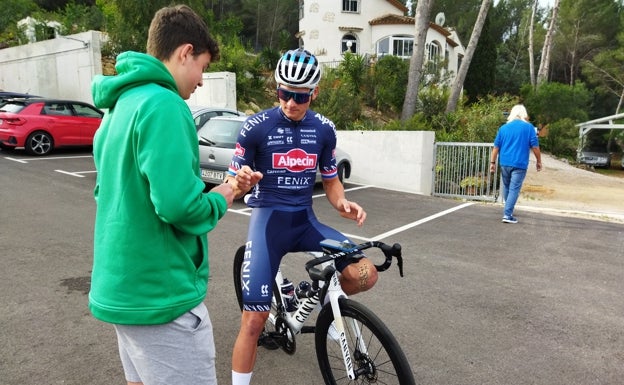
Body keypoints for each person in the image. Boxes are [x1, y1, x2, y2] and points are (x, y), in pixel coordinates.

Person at [89, 5, 234, 385]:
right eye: (202, 65)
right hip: (161, 297)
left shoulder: (119, 105)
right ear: (185, 52)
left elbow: (111, 192)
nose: (201, 80)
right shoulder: (165, 104)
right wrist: (222, 197)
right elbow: (178, 205)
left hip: (123, 291)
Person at [226, 48, 379, 385]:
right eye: (284, 93)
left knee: (366, 274)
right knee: (253, 320)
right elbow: (231, 184)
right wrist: (239, 184)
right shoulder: (255, 127)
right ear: (277, 89)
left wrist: (342, 204)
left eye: (300, 96)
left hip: (306, 222)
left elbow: (330, 179)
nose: (290, 103)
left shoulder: (324, 129)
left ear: (315, 93)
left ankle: (325, 310)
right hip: (268, 224)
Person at [490, 104, 542, 223]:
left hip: (505, 163)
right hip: (519, 163)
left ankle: (508, 210)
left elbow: (496, 147)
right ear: (524, 114)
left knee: (507, 187)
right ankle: (507, 215)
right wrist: (539, 161)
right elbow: (535, 147)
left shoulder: (503, 128)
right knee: (514, 189)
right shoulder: (528, 128)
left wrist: (492, 162)